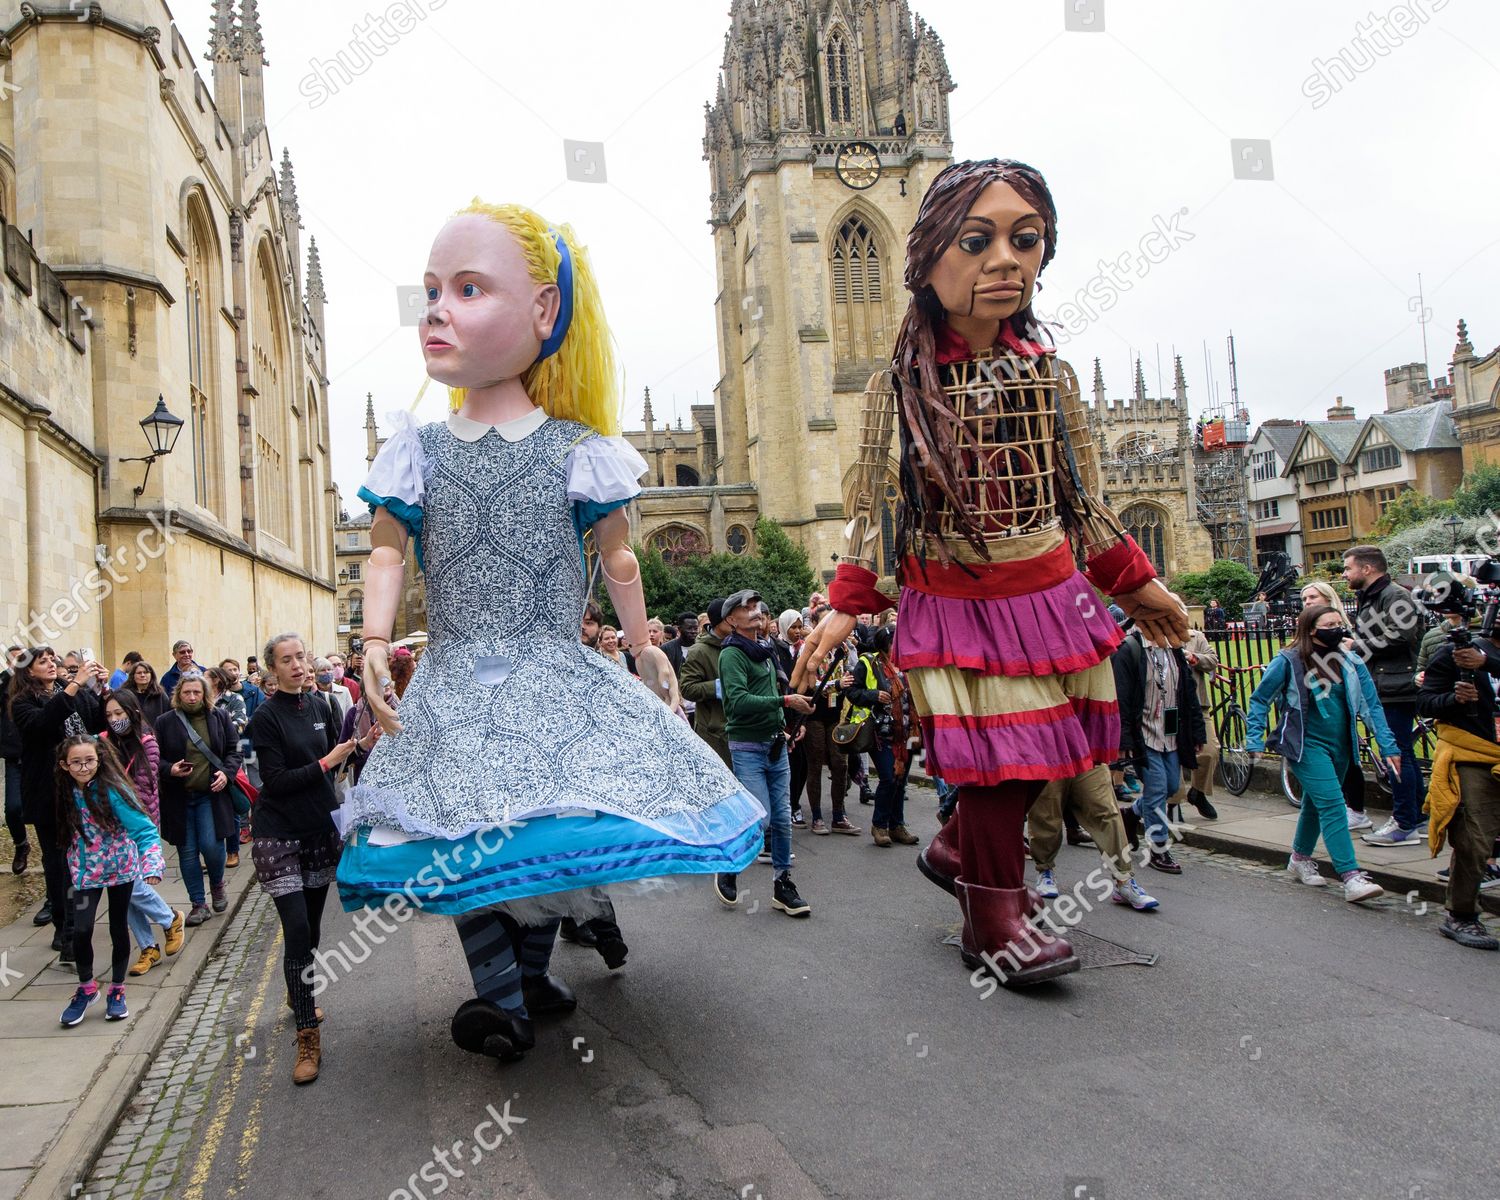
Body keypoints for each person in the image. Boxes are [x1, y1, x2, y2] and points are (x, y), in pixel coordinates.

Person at [343, 201, 764, 1065]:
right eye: (431, 290)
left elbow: (619, 562)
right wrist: (375, 642)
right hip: (457, 678)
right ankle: (501, 996)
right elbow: (385, 555)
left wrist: (647, 643)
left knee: (546, 843)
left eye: (467, 288)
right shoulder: (416, 448)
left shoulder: (579, 447)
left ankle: (523, 983)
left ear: (542, 312)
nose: (436, 309)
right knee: (462, 838)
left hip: (553, 674)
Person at [795, 159, 1186, 987]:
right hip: (955, 590)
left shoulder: (1050, 375)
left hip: (1047, 585)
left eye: (1026, 239)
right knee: (998, 760)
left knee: (1049, 750)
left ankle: (955, 848)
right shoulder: (895, 387)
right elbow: (874, 503)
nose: (1006, 259)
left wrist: (1135, 579)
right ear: (930, 258)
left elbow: (1081, 496)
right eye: (978, 241)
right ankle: (992, 919)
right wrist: (848, 603)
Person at [249, 632, 378, 1083]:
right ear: (274, 669)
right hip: (278, 834)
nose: (298, 665)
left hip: (319, 832)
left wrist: (361, 747)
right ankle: (307, 1038)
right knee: (298, 929)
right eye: (287, 660)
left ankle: (295, 990)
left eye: (301, 656)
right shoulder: (264, 718)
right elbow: (277, 781)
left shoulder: (325, 705)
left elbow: (339, 761)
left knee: (313, 930)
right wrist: (329, 761)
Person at [1247, 604, 1394, 902]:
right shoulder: (1288, 660)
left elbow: (1372, 705)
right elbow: (1260, 698)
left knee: (1316, 804)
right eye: (1331, 624)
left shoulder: (1352, 661)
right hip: (1305, 745)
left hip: (1340, 745)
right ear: (1312, 629)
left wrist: (1388, 745)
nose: (1339, 628)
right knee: (1333, 805)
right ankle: (1351, 876)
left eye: (1340, 622)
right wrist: (1254, 740)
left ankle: (1300, 858)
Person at [54, 735, 165, 1026]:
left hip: (121, 870)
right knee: (81, 930)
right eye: (76, 762)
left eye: (89, 760)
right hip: (85, 872)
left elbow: (144, 830)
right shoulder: (63, 790)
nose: (83, 767)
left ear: (99, 759)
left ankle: (117, 990)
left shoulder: (113, 790)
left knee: (118, 927)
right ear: (64, 765)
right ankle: (87, 987)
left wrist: (152, 864)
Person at [716, 589, 814, 915]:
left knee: (783, 820)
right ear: (731, 619)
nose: (755, 610)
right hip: (747, 747)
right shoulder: (731, 654)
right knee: (761, 818)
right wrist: (786, 702)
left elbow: (774, 691)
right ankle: (729, 866)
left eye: (757, 605)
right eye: (746, 607)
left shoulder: (765, 647)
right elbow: (738, 702)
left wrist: (789, 723)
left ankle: (783, 884)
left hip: (775, 743)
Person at [10, 647, 107, 955]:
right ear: (28, 671)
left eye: (52, 660)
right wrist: (75, 684)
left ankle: (77, 925)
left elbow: (96, 720)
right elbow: (43, 724)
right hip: (48, 793)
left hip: (83, 790)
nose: (51, 665)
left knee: (83, 858)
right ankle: (65, 929)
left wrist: (103, 690)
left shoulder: (71, 692)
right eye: (43, 662)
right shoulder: (22, 703)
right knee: (58, 861)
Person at [1417, 605, 1500, 949]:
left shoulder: (1481, 659)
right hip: (1474, 754)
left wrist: (1488, 664)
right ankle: (1462, 915)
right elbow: (1424, 702)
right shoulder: (1456, 654)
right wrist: (1454, 699)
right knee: (1474, 839)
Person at [1343, 545, 1428, 847]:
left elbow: (1400, 635)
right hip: (1387, 682)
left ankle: (1404, 823)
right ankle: (1416, 816)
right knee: (1403, 751)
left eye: (1348, 568)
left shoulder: (1393, 595)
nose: (1345, 574)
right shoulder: (1374, 596)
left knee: (1396, 753)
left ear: (1367, 569)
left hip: (1397, 684)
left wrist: (1358, 645)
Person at [102, 691, 185, 976]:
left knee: (132, 886)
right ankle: (148, 947)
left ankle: (169, 917)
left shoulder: (147, 743)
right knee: (121, 890)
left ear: (132, 712)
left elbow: (144, 786)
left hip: (139, 824)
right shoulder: (102, 743)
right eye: (110, 715)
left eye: (119, 714)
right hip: (110, 829)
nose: (114, 720)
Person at [1114, 626, 1205, 875]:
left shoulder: (1174, 650)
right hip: (1144, 734)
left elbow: (1188, 693)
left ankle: (1131, 814)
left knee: (1173, 787)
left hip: (1171, 733)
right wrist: (1123, 742)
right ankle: (1159, 848)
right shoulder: (1129, 649)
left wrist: (1197, 732)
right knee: (1156, 789)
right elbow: (1120, 697)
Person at [154, 675, 241, 926]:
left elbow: (235, 750)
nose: (192, 697)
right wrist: (170, 769)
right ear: (178, 695)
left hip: (210, 796)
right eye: (187, 693)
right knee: (188, 852)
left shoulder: (219, 717)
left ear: (205, 694)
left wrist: (227, 773)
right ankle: (198, 904)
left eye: (196, 693)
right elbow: (154, 758)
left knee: (213, 848)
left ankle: (217, 884)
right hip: (179, 798)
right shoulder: (164, 722)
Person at [1028, 764, 1159, 911]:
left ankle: (1124, 879)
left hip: (1086, 750)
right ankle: (1045, 869)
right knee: (1046, 811)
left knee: (1106, 811)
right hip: (1047, 753)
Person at [1300, 579, 1369, 831]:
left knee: (1350, 759)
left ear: (1328, 600)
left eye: (1313, 598)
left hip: (1343, 705)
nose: (1307, 602)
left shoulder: (1339, 633)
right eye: (1305, 599)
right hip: (1319, 713)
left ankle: (1356, 810)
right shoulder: (1308, 633)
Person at [844, 625, 919, 848]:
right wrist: (874, 695)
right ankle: (879, 825)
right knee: (888, 777)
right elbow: (852, 692)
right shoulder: (869, 662)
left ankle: (897, 825)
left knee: (901, 780)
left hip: (908, 731)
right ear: (885, 643)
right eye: (895, 641)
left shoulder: (909, 664)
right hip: (880, 732)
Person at [679, 598, 732, 766]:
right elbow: (687, 688)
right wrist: (719, 687)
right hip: (715, 733)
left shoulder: (739, 645)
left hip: (741, 730)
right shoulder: (699, 651)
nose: (734, 621)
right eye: (729, 617)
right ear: (718, 620)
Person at [1180, 626, 1220, 821]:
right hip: (1168, 708)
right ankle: (1173, 802)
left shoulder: (1196, 636)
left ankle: (1198, 792)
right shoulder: (1154, 637)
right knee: (1171, 757)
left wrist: (1193, 657)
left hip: (1198, 705)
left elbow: (1212, 661)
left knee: (1210, 751)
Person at [2, 646, 30, 874]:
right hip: (15, 756)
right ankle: (21, 844)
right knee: (12, 808)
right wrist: (8, 674)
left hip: (39, 756)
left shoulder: (35, 683)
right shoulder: (5, 684)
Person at [122, 660, 170, 727]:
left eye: (146, 672)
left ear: (151, 675)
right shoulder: (126, 694)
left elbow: (169, 717)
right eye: (139, 673)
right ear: (133, 676)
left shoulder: (160, 694)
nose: (142, 675)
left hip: (156, 735)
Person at [220, 658, 265, 723]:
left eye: (235, 669)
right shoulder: (220, 697)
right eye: (229, 671)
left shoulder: (255, 691)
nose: (233, 673)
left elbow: (262, 712)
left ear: (239, 671)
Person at [661, 613, 697, 677]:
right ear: (679, 629)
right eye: (689, 628)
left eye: (696, 628)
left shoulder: (702, 649)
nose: (693, 631)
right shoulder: (666, 649)